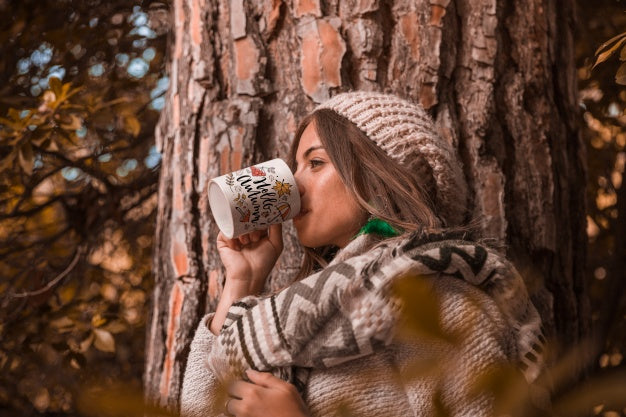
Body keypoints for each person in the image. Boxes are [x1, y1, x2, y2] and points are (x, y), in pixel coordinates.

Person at [180, 91, 546, 417]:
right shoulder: (299, 315)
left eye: (316, 163)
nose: (293, 184)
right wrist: (242, 280)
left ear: (377, 177)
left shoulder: (437, 301)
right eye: (295, 168)